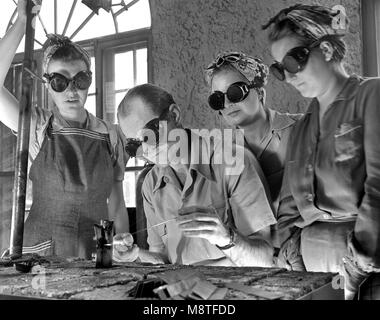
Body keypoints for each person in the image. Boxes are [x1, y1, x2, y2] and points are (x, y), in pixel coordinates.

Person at [263, 4, 380, 299]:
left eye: (293, 61)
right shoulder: (303, 127)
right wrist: (291, 255)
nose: (288, 77)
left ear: (326, 50)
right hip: (313, 273)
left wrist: (360, 261)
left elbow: (378, 186)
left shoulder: (372, 96)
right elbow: (289, 206)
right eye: (279, 69)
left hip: (369, 267)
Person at [0, 0, 129, 259]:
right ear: (48, 84)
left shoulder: (111, 135)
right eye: (60, 81)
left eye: (80, 80)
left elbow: (116, 200)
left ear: (89, 80)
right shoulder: (35, 126)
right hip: (40, 256)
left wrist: (121, 247)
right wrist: (22, 23)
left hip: (93, 256)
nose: (72, 90)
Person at [113, 83, 277, 267]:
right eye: (135, 145)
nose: (147, 149)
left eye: (150, 134)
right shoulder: (151, 184)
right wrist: (136, 255)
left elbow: (263, 259)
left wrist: (225, 238)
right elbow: (163, 260)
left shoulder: (232, 162)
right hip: (181, 288)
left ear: (174, 114)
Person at [205, 51, 301, 211]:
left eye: (235, 93)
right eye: (218, 99)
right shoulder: (220, 157)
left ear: (260, 93)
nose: (227, 103)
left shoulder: (303, 129)